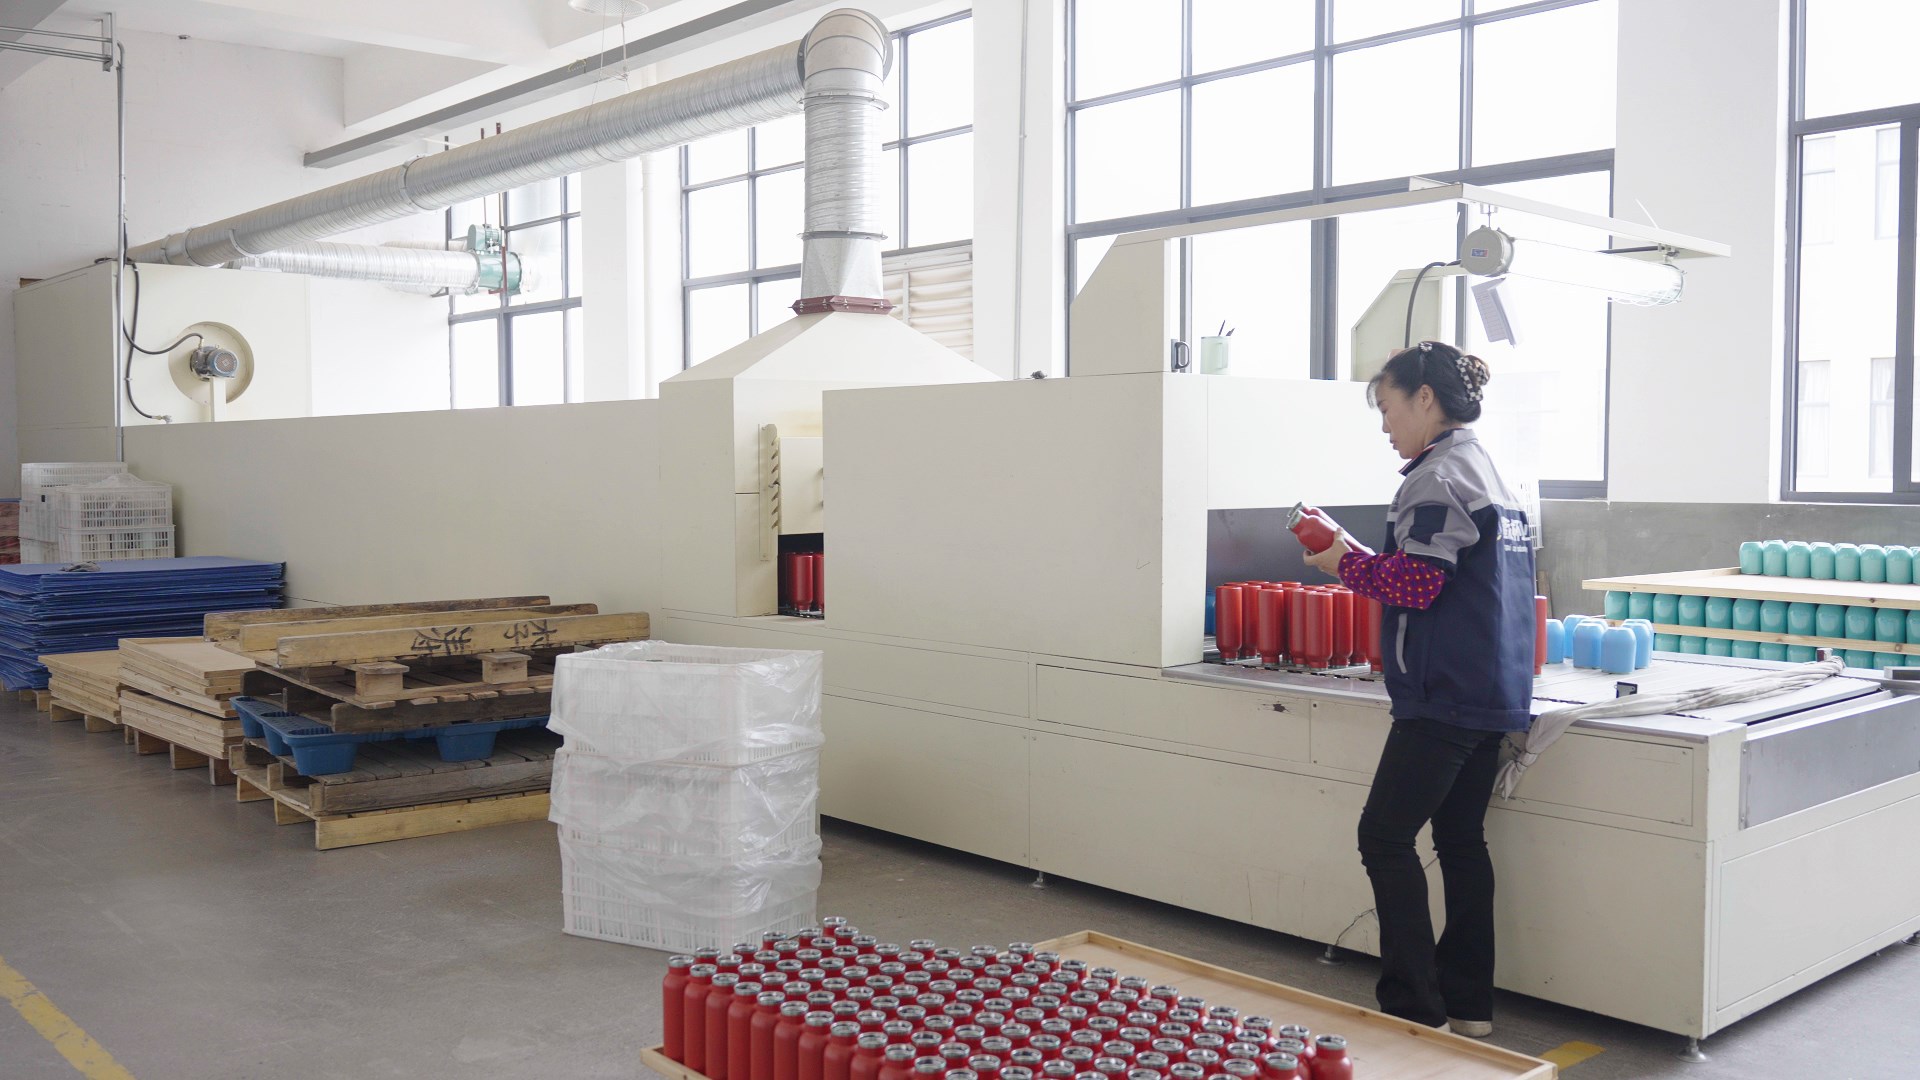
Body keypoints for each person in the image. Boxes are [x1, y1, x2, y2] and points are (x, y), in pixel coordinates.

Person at [1300, 340, 1536, 1038]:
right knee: (1460, 840)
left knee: (1383, 836)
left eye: (1387, 407)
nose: (1384, 425)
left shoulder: (1436, 476)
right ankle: (1468, 1006)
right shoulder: (1488, 470)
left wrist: (1343, 564)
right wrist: (1360, 558)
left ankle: (1413, 1009)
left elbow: (1417, 583)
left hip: (1444, 692)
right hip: (1493, 687)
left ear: (1424, 398)